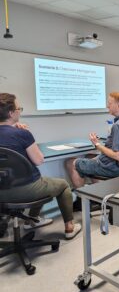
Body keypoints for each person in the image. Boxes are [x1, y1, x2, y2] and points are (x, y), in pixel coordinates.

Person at [0, 93, 81, 239]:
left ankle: (32, 220)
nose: (20, 111)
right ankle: (70, 227)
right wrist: (25, 133)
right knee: (62, 185)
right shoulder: (22, 133)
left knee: (42, 182)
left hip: (2, 190)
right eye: (19, 108)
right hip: (25, 190)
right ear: (11, 113)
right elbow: (38, 160)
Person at [67, 92, 119, 188]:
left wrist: (97, 144)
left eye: (110, 103)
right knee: (89, 156)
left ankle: (83, 199)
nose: (107, 106)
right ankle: (98, 194)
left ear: (118, 105)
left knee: (70, 163)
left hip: (112, 167)